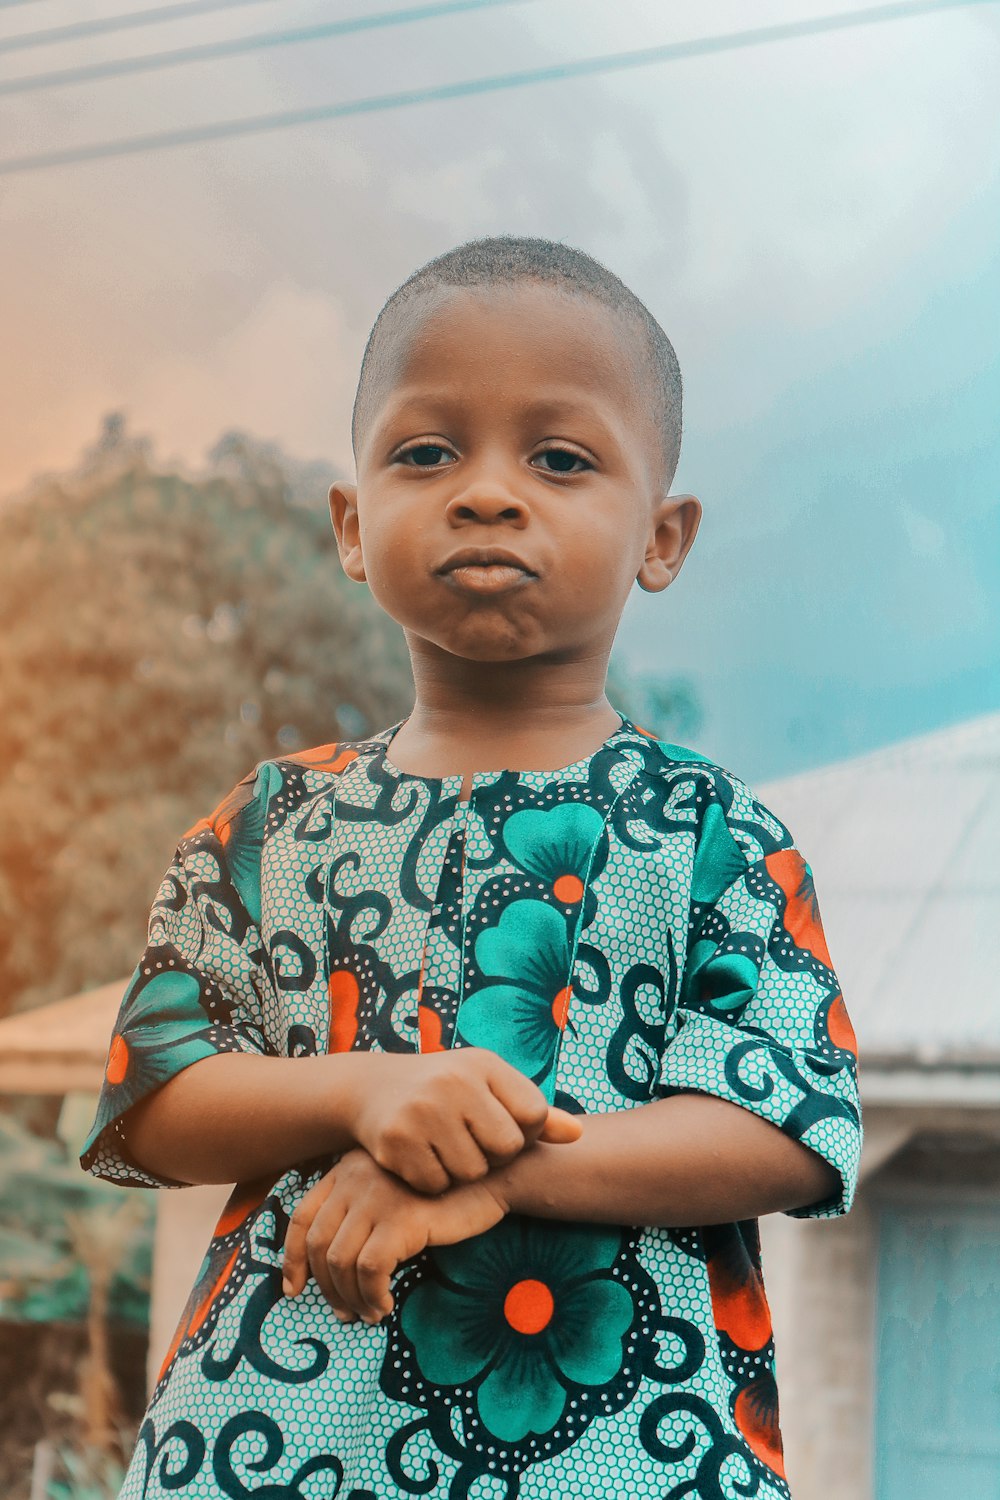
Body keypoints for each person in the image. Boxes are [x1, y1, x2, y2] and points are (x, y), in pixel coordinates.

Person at [81, 235, 861, 1500]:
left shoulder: (716, 831)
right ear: (350, 522)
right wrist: (366, 1093)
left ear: (662, 537)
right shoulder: (269, 822)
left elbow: (786, 1124)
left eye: (559, 458)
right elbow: (154, 1100)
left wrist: (483, 1175)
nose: (486, 492)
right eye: (426, 451)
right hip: (272, 1435)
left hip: (627, 1453)